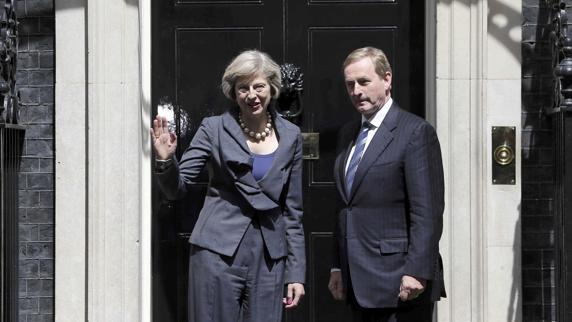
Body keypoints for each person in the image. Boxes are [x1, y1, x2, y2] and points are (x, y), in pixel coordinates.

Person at [151, 49, 305, 322]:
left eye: (258, 86)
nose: (251, 95)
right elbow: (179, 187)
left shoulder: (292, 136)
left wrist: (296, 272)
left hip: (269, 256)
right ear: (233, 93)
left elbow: (293, 210)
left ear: (272, 88)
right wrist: (166, 161)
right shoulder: (213, 128)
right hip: (217, 251)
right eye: (243, 88)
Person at [327, 47, 446, 322]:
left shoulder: (415, 132)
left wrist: (417, 270)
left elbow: (427, 211)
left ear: (387, 79)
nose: (356, 91)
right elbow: (346, 205)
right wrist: (337, 265)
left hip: (400, 282)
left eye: (364, 82)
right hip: (357, 280)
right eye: (350, 84)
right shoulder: (348, 134)